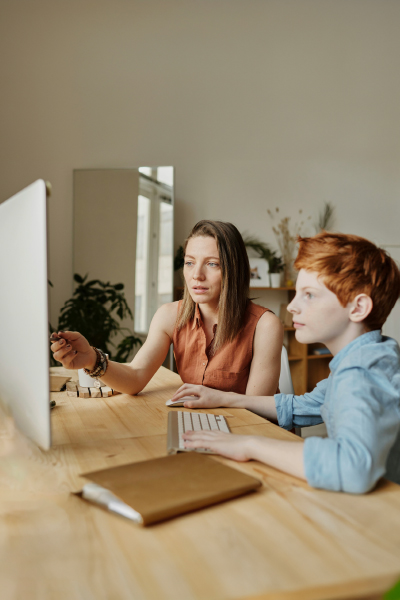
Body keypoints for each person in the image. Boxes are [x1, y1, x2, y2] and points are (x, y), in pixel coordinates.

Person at [176, 232, 400, 493]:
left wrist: (249, 445)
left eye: (310, 295)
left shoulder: (361, 372)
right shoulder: (370, 356)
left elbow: (352, 468)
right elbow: (305, 406)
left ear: (358, 308)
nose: (292, 306)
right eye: (296, 294)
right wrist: (225, 398)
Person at [51, 220, 283, 397]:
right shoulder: (170, 315)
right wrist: (92, 358)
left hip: (250, 435)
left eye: (212, 264)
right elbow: (135, 377)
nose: (196, 275)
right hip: (202, 427)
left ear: (234, 270)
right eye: (190, 262)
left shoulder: (265, 325)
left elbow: (256, 411)